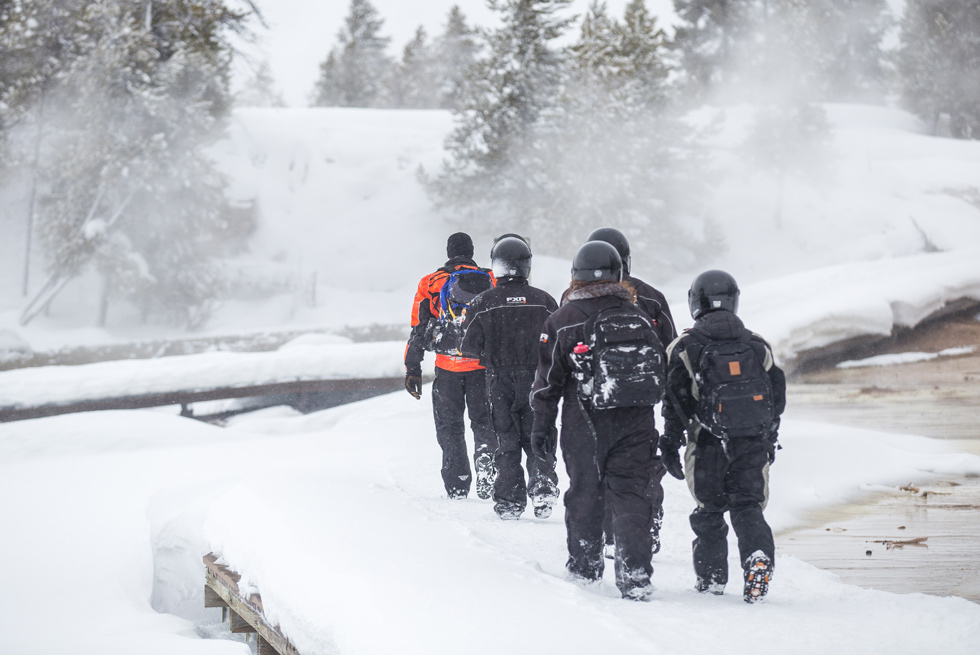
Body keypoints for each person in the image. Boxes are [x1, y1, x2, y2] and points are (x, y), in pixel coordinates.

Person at [530, 241, 663, 601]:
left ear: (576, 276)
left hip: (584, 420)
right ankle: (635, 575)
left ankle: (586, 571)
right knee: (632, 494)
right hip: (637, 420)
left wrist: (543, 425)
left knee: (586, 494)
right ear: (619, 273)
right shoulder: (637, 316)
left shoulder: (562, 319)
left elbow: (548, 381)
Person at [659, 269, 786, 603]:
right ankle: (757, 556)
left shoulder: (684, 347)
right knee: (748, 507)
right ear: (734, 300)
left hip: (706, 445)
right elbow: (777, 397)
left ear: (695, 302)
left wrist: (669, 444)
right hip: (752, 442)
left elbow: (674, 403)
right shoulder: (757, 345)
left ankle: (712, 580)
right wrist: (769, 438)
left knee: (709, 510)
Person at [585, 227, 677, 558]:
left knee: (601, 463)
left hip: (596, 399)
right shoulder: (651, 297)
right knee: (640, 465)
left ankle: (611, 530)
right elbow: (671, 351)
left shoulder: (580, 300)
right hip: (641, 401)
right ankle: (644, 523)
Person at [460, 236, 560, 520]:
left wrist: (490, 351)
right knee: (538, 434)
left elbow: (467, 346)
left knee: (506, 438)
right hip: (537, 378)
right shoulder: (545, 301)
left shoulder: (484, 302)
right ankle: (542, 487)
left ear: (497, 266)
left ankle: (509, 501)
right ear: (527, 265)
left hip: (499, 378)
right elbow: (558, 340)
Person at [404, 232, 497, 500]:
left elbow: (418, 327)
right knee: (484, 422)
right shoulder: (489, 278)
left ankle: (457, 484)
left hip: (447, 368)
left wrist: (413, 368)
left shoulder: (431, 282)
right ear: (471, 252)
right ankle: (486, 457)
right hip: (482, 366)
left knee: (450, 426)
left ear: (448, 252)